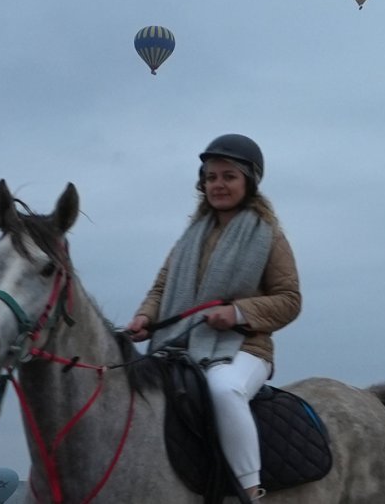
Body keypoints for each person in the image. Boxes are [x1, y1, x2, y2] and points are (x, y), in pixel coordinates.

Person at [125, 134, 300, 503]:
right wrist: (144, 317)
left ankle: (249, 490)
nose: (217, 185)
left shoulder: (269, 236)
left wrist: (238, 313)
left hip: (245, 349)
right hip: (179, 348)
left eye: (228, 176)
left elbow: (289, 300)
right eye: (210, 177)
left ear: (248, 181)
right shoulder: (189, 237)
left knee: (224, 390)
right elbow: (161, 287)